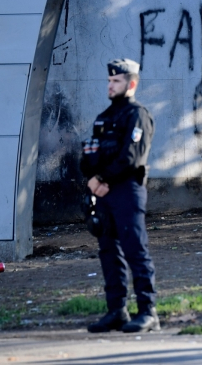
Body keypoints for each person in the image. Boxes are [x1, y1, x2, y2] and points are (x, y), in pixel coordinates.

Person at [80, 58, 158, 333]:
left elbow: (131, 157)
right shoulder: (104, 117)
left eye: (116, 81)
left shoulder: (137, 115)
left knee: (135, 250)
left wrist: (100, 179)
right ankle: (117, 311)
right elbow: (89, 157)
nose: (110, 85)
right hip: (103, 193)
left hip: (127, 191)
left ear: (131, 83)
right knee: (108, 252)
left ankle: (148, 312)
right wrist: (92, 178)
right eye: (109, 81)